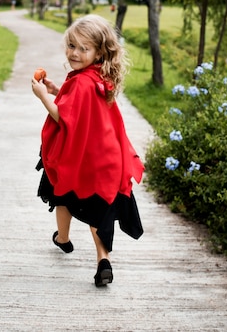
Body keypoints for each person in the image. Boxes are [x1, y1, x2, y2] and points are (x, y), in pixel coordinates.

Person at [31, 14, 144, 287]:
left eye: (84, 48)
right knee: (98, 211)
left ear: (98, 52)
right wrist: (57, 89)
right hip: (104, 159)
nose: (75, 53)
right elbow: (79, 106)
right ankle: (103, 259)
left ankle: (63, 238)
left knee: (61, 192)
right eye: (72, 45)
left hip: (79, 157)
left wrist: (43, 96)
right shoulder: (96, 76)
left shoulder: (82, 81)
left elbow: (64, 117)